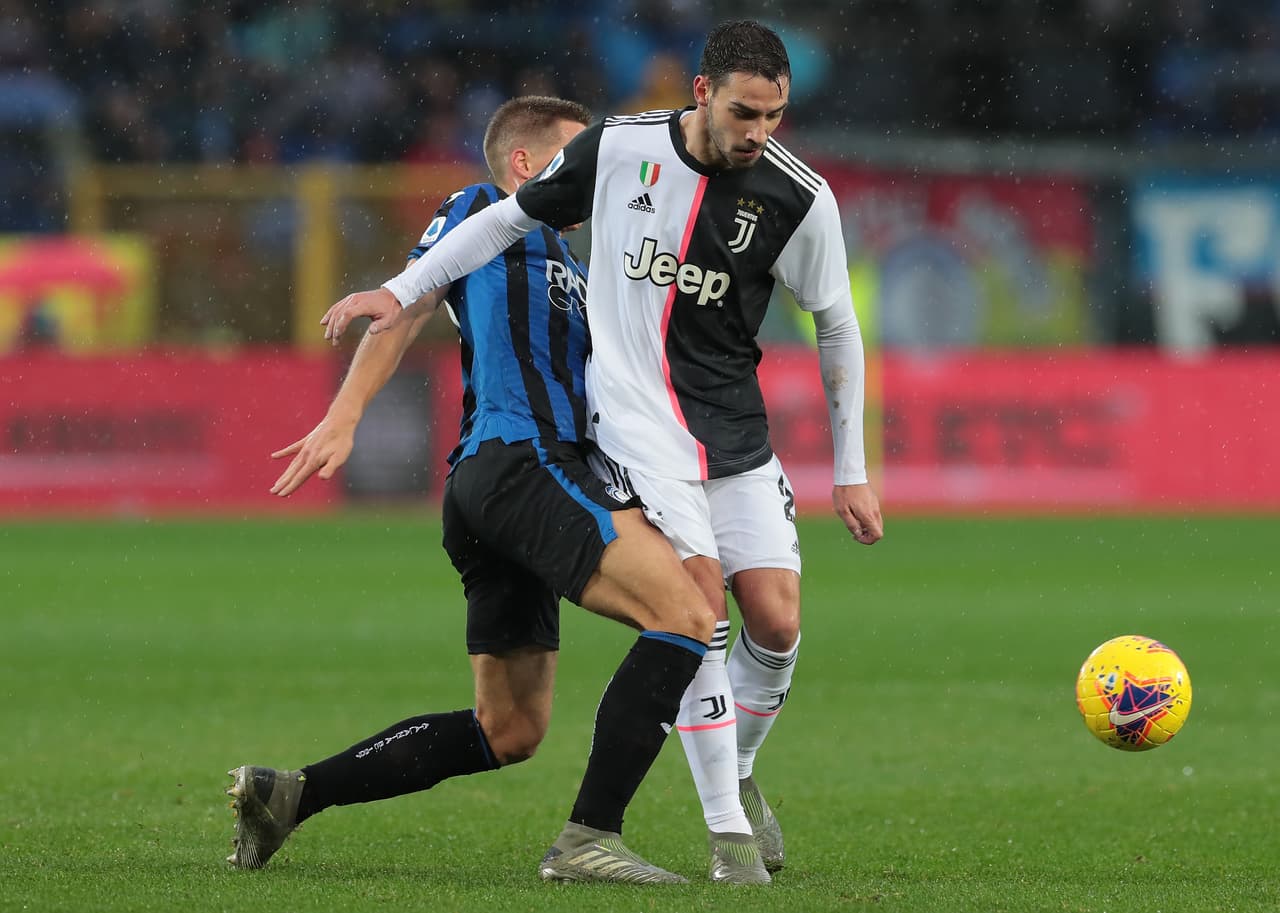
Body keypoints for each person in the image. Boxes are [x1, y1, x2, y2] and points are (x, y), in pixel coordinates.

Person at [320, 19, 885, 881]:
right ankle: (725, 835)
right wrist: (397, 290)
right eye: (744, 113)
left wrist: (852, 468)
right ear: (702, 93)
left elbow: (837, 325)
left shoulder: (799, 197)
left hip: (733, 431)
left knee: (776, 620)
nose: (759, 133)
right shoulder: (619, 150)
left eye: (774, 117)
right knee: (697, 606)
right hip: (635, 426)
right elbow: (502, 221)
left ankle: (736, 765)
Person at [226, 95, 719, 885]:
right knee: (689, 612)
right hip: (521, 459)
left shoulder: (577, 262)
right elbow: (410, 299)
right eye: (574, 155)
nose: (591, 173)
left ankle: (293, 794)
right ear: (527, 165)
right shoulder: (486, 208)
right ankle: (591, 836)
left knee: (511, 727)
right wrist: (345, 414)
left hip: (505, 490)